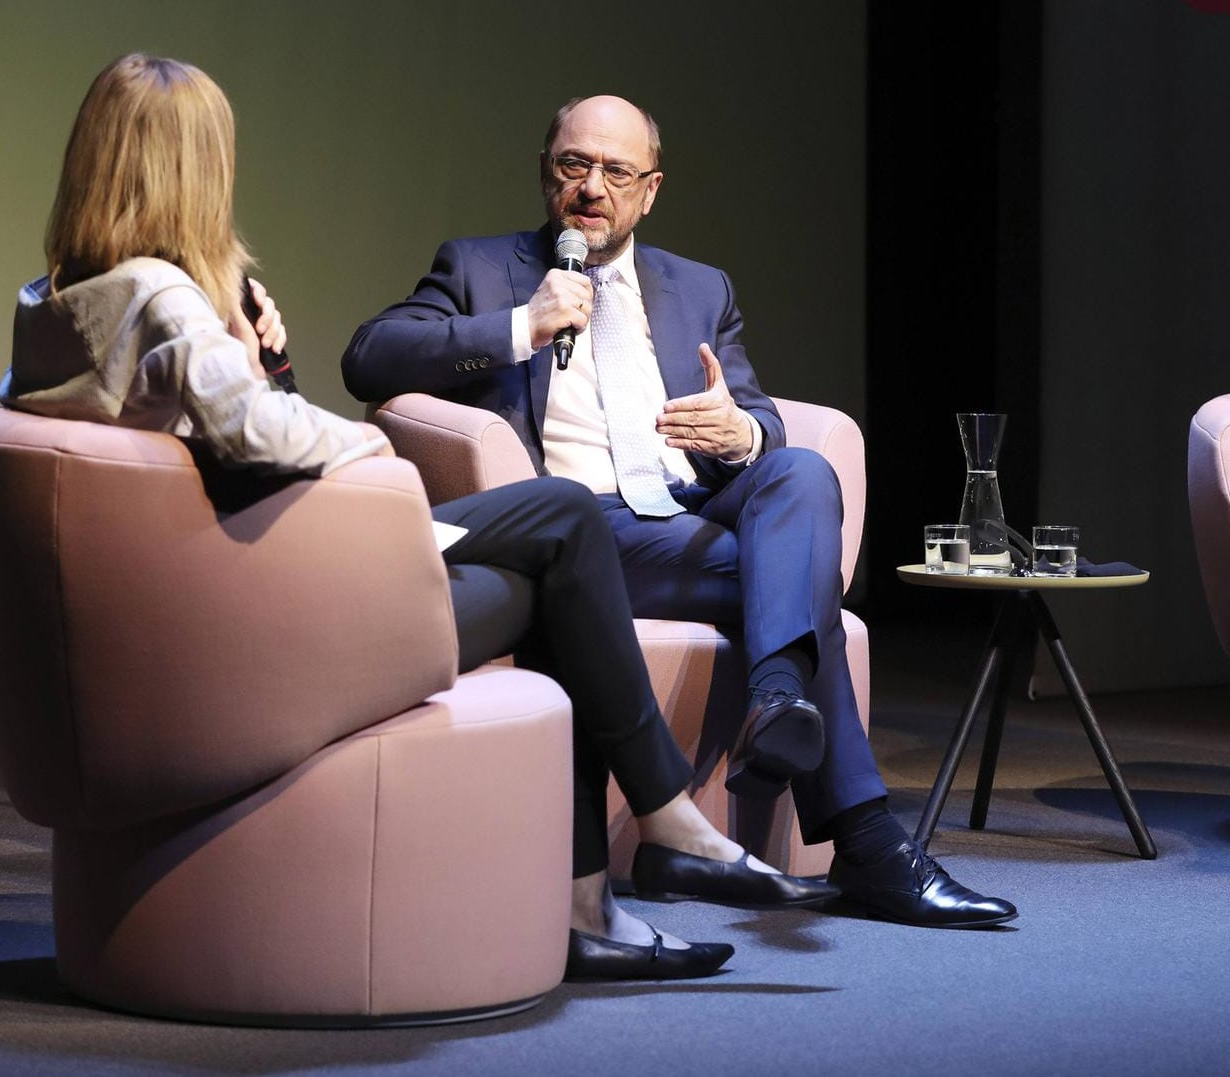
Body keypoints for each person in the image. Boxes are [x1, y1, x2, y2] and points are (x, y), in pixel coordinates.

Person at [0, 53, 845, 981]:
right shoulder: (162, 298)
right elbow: (270, 441)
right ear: (198, 171)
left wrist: (259, 359)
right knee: (563, 536)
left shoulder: (50, 302)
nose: (589, 187)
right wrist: (377, 461)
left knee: (563, 533)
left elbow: (206, 425)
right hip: (285, 608)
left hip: (237, 583)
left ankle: (597, 893)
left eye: (613, 170)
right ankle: (657, 830)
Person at [342, 95, 1015, 928]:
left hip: (690, 503)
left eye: (615, 172)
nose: (591, 187)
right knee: (802, 593)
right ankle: (868, 842)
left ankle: (775, 701)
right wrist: (523, 323)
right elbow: (368, 356)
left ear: (649, 188)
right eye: (572, 166)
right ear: (545, 172)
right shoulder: (480, 267)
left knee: (798, 468)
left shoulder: (699, 287)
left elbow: (759, 414)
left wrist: (737, 432)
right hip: (581, 530)